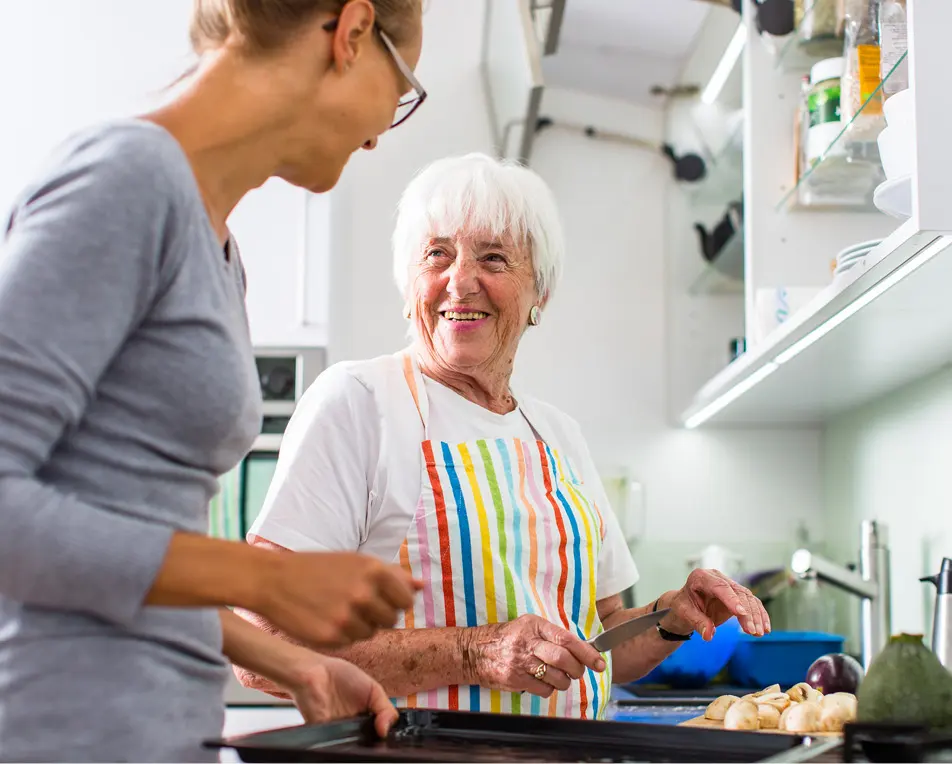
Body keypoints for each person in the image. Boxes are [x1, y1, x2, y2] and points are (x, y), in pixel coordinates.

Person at [0, 0, 427, 760]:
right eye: (400, 92)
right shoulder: (126, 182)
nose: (376, 135)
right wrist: (264, 580)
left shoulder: (220, 249)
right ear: (352, 34)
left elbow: (128, 550)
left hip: (159, 730)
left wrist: (292, 660)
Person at [239, 153, 771, 719]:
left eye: (493, 257)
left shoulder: (557, 435)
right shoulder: (360, 401)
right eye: (437, 254)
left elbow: (601, 641)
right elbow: (262, 642)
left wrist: (672, 617)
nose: (460, 281)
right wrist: (474, 652)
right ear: (409, 284)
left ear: (540, 294)